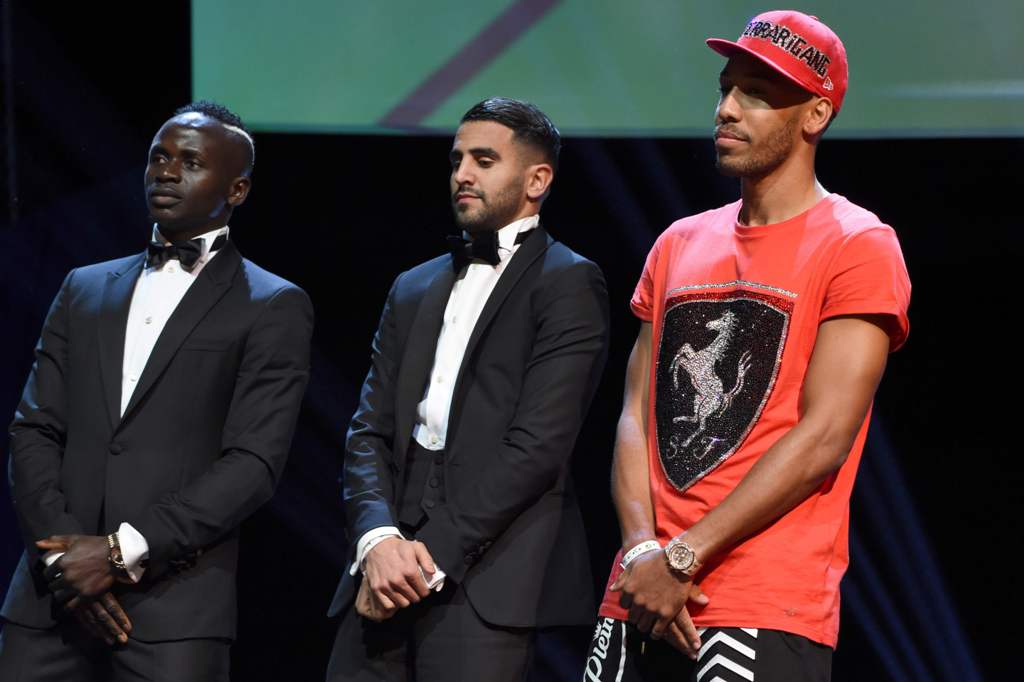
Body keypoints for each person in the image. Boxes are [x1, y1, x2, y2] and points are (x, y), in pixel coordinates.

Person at [584, 11, 911, 681]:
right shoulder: (678, 242)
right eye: (725, 89)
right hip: (638, 596)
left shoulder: (858, 244)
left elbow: (825, 438)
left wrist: (684, 558)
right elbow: (634, 415)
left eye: (757, 94)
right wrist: (643, 552)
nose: (726, 110)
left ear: (815, 114)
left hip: (759, 602)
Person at [0, 101, 314, 681]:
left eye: (190, 162)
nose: (166, 173)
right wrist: (65, 562)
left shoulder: (272, 304)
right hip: (49, 607)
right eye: (158, 158)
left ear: (237, 189)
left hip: (172, 615)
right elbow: (34, 428)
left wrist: (118, 555)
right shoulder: (84, 287)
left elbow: (252, 465)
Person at [326, 97, 609, 681]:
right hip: (381, 568)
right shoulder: (413, 285)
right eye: (457, 159)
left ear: (537, 180)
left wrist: (426, 560)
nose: (462, 174)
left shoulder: (568, 282)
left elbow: (537, 447)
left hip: (485, 579)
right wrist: (378, 540)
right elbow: (367, 431)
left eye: (484, 160)